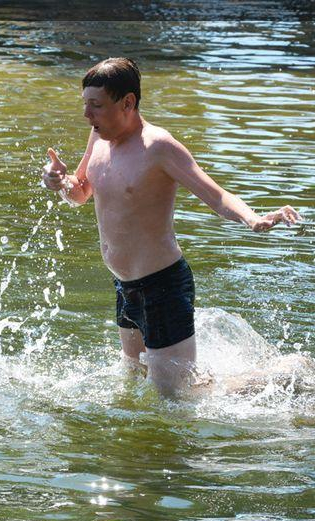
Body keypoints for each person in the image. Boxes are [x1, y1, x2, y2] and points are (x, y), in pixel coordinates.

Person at [42, 57, 301, 395]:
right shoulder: (99, 138)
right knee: (135, 384)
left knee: (177, 398)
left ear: (128, 103)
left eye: (96, 105)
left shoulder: (159, 147)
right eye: (85, 104)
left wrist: (252, 218)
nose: (87, 115)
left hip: (162, 286)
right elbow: (81, 192)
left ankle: (283, 375)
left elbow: (216, 194)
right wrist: (59, 182)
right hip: (124, 285)